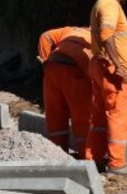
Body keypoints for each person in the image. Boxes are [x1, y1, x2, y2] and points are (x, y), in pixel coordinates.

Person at [87, 0, 127, 173]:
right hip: (112, 71)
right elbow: (107, 33)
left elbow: (109, 39)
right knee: (120, 114)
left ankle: (95, 159)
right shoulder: (110, 5)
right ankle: (117, 164)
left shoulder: (101, 2)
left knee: (100, 116)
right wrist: (119, 64)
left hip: (100, 66)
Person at [37, 26, 92, 158]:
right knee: (82, 116)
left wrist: (45, 61)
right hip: (75, 71)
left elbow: (45, 36)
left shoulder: (69, 30)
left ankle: (58, 155)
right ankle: (88, 158)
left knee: (55, 114)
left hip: (52, 67)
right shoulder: (100, 40)